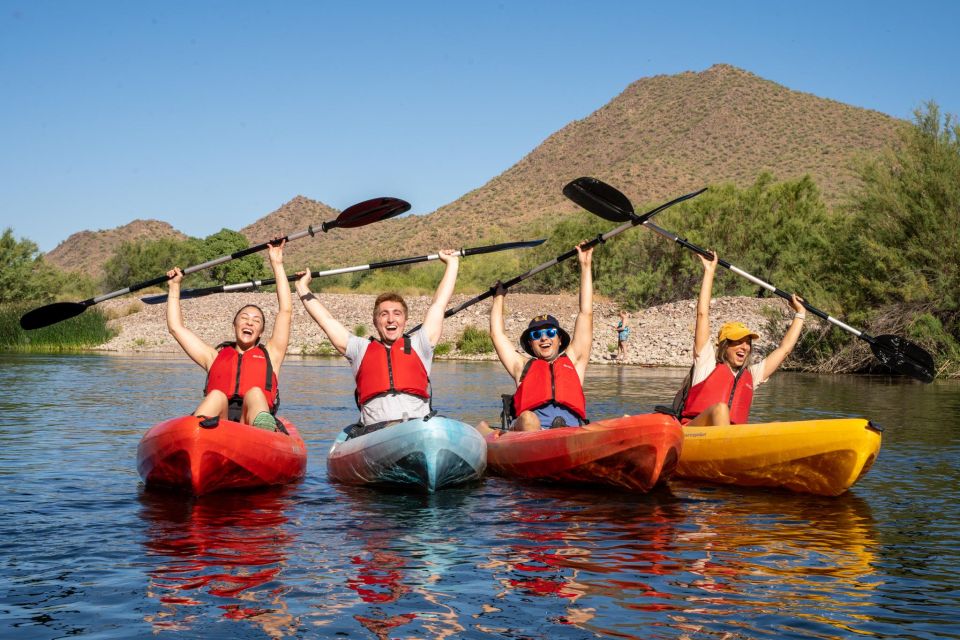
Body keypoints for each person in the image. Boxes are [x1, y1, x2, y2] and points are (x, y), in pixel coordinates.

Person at [295, 249, 460, 434]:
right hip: (375, 433)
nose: (391, 320)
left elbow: (439, 304)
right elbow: (326, 320)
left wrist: (452, 264)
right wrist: (302, 287)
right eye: (384, 314)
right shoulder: (359, 349)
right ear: (375, 321)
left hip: (418, 427)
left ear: (405, 320)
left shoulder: (420, 343)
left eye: (397, 314)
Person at [165, 239, 292, 431]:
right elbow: (176, 328)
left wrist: (277, 264)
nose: (250, 322)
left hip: (252, 422)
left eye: (256, 320)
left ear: (261, 332)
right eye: (244, 318)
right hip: (219, 423)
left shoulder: (272, 355)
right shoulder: (213, 356)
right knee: (216, 395)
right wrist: (174, 287)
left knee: (255, 393)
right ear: (234, 324)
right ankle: (194, 433)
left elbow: (285, 312)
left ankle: (264, 428)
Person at [676, 250, 806, 426]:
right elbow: (702, 314)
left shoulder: (751, 376)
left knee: (776, 425)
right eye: (737, 342)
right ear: (724, 346)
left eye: (747, 343)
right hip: (694, 434)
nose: (744, 347)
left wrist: (800, 313)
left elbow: (784, 350)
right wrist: (709, 270)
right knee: (721, 409)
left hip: (730, 438)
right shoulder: (705, 363)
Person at [476, 244, 594, 434]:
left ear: (560, 340)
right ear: (530, 343)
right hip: (531, 434)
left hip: (572, 433)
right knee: (529, 418)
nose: (544, 338)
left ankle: (561, 434)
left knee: (626, 420)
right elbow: (497, 335)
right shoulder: (521, 366)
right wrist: (498, 298)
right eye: (536, 335)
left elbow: (586, 313)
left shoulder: (574, 360)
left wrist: (585, 266)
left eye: (550, 333)